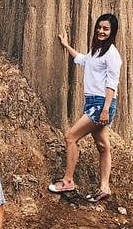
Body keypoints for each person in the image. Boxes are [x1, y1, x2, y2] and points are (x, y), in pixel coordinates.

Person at [48, 13, 123, 202]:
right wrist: (66, 46)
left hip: (101, 104)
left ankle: (68, 180)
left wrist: (105, 109)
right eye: (99, 27)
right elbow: (83, 60)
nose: (101, 31)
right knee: (103, 146)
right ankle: (104, 187)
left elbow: (112, 84)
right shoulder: (96, 51)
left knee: (70, 137)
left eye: (106, 29)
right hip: (93, 102)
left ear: (112, 32)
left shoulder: (112, 54)